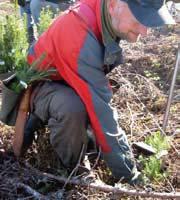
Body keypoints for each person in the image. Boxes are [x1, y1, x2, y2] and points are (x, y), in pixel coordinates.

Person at [23, 0, 175, 184]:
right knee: (72, 107)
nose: (145, 31)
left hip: (67, 77)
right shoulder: (78, 34)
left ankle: (90, 141)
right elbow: (101, 111)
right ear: (113, 6)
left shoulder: (104, 11)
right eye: (138, 20)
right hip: (40, 86)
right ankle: (75, 171)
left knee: (100, 94)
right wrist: (129, 176)